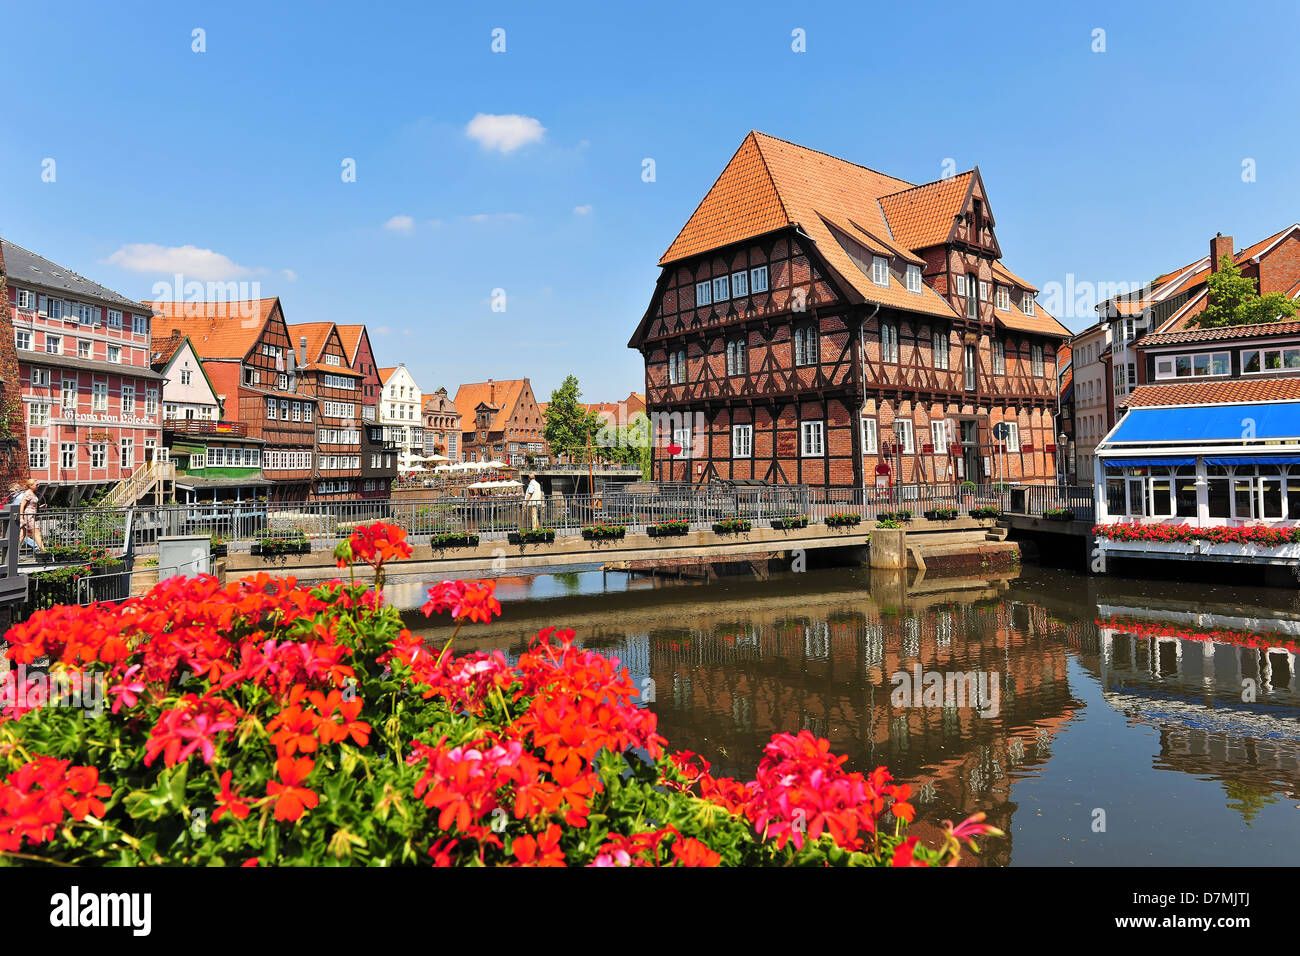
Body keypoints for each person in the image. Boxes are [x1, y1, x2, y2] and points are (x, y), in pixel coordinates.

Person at [18, 479, 43, 551]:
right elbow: (22, 505)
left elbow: (31, 505)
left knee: (22, 535)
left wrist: (40, 507)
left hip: (31, 515)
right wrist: (21, 517)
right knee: (37, 533)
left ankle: (13, 553)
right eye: (36, 485)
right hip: (28, 516)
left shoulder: (32, 493)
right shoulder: (28, 493)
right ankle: (44, 552)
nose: (38, 486)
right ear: (31, 485)